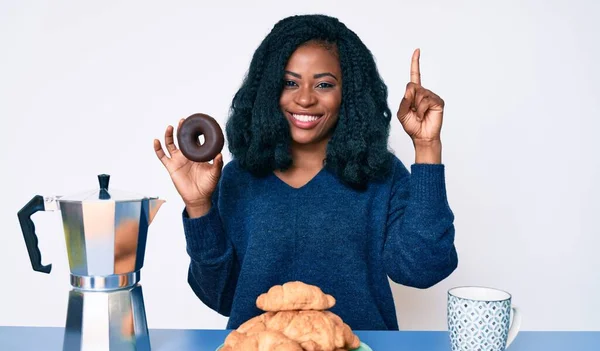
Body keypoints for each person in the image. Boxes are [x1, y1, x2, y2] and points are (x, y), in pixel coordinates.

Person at [154, 14, 458, 331]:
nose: (305, 98)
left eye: (324, 84)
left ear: (348, 93)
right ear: (270, 88)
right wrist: (199, 206)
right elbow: (219, 296)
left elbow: (423, 268)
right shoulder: (237, 179)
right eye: (290, 83)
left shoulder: (380, 175)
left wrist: (427, 147)